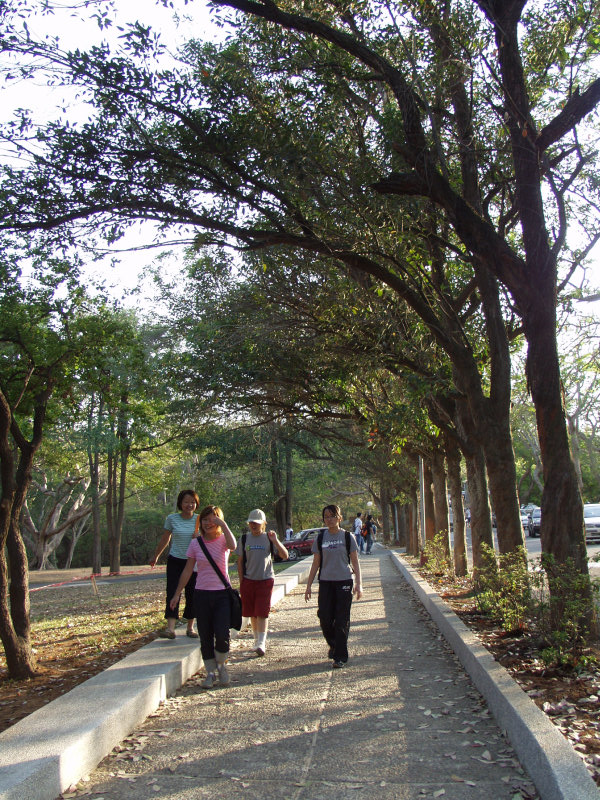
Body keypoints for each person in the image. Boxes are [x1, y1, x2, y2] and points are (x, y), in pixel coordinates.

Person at [170, 505, 237, 689]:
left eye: (212, 519)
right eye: (205, 520)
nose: (208, 523)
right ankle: (210, 672)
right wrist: (177, 593)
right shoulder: (195, 543)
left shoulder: (223, 540)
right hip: (201, 594)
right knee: (205, 636)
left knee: (222, 634)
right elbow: (187, 570)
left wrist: (223, 524)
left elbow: (233, 546)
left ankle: (221, 666)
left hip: (222, 594)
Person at [304, 504, 362, 668]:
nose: (329, 519)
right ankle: (334, 644)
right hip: (326, 582)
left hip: (344, 582)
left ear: (339, 518)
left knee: (341, 620)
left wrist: (359, 584)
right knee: (325, 617)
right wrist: (308, 586)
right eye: (326, 517)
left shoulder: (348, 537)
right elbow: (316, 563)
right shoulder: (321, 538)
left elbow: (355, 562)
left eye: (332, 516)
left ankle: (340, 657)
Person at [236, 509, 289, 656]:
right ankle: (256, 640)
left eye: (257, 523)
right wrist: (241, 581)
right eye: (252, 523)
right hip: (248, 580)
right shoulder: (244, 539)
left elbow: (285, 555)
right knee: (252, 613)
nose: (254, 525)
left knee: (262, 612)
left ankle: (261, 642)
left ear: (264, 524)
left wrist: (275, 540)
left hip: (265, 580)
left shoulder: (268, 538)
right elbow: (240, 561)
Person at [150, 489, 200, 639]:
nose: (189, 505)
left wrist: (199, 537)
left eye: (192, 502)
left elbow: (209, 537)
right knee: (172, 591)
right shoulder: (172, 519)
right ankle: (170, 629)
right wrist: (156, 555)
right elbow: (165, 539)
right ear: (180, 503)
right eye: (186, 502)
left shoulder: (200, 519)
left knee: (192, 593)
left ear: (196, 504)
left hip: (194, 561)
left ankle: (190, 628)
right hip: (175, 560)